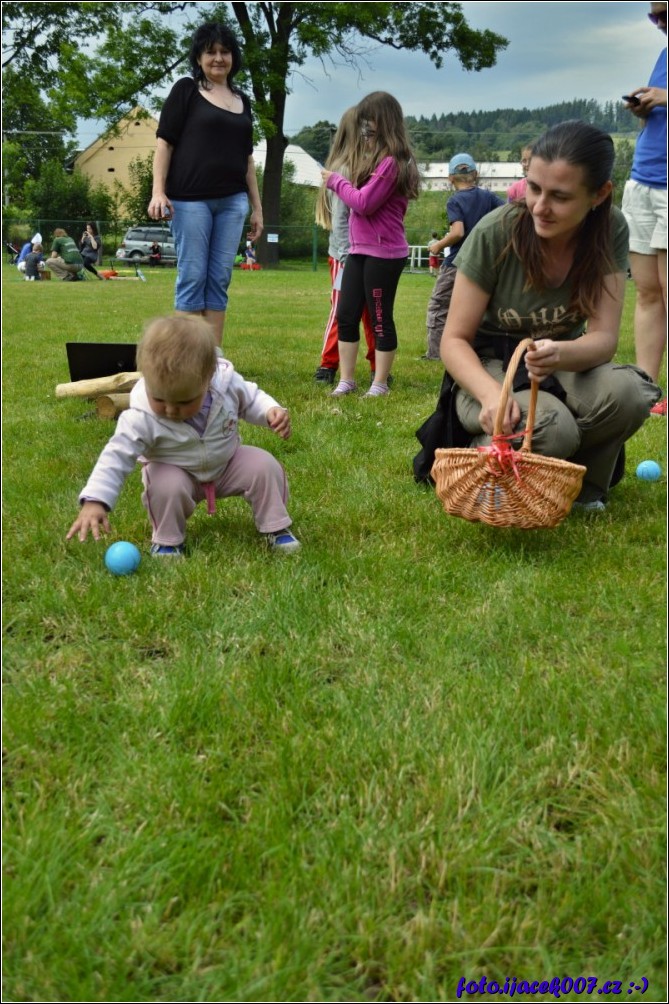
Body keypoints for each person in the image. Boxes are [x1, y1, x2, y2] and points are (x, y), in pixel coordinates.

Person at [414, 121, 661, 510]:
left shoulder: (610, 229)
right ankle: (479, 454)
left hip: (558, 361)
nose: (540, 207)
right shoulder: (497, 231)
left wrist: (560, 354)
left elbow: (603, 339)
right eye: (534, 188)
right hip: (488, 364)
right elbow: (453, 340)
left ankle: (582, 490)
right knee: (549, 427)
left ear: (599, 194)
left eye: (560, 196)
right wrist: (491, 395)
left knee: (631, 393)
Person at [66, 315, 301, 556]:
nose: (169, 409)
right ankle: (168, 540)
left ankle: (276, 526)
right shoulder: (140, 415)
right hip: (176, 471)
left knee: (264, 465)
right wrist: (96, 499)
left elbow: (251, 398)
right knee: (164, 484)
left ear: (208, 379)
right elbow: (115, 457)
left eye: (183, 402)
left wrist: (269, 411)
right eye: (159, 398)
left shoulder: (225, 384)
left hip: (226, 465)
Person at [147, 22, 263, 348]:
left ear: (233, 57)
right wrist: (158, 191)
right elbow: (163, 144)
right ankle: (185, 359)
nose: (218, 58)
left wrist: (257, 208)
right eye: (210, 51)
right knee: (193, 276)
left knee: (219, 280)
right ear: (198, 57)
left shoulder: (243, 101)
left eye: (224, 51)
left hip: (233, 202)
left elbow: (248, 160)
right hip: (189, 201)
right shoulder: (186, 90)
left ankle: (212, 361)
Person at [321, 91, 420, 398]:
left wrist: (336, 180)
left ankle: (379, 383)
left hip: (384, 254)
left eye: (370, 119)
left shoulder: (393, 163)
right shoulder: (373, 159)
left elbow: (364, 203)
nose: (364, 126)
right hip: (359, 250)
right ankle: (347, 381)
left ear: (385, 121)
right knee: (347, 315)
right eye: (363, 120)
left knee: (379, 318)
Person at [621, 1, 667, 415]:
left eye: (665, 12)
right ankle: (646, 391)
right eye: (653, 16)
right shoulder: (664, 54)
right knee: (649, 292)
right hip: (643, 180)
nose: (658, 23)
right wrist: (644, 106)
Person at [313, 106, 377, 386]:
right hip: (346, 254)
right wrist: (345, 256)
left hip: (367, 253)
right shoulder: (344, 169)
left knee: (373, 311)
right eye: (370, 132)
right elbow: (341, 218)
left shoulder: (370, 166)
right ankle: (328, 365)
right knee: (343, 310)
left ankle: (378, 365)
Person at [422, 153, 503, 361]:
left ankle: (435, 353)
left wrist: (438, 245)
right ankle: (478, 350)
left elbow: (458, 232)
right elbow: (508, 214)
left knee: (439, 305)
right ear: (475, 174)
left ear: (450, 178)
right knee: (476, 307)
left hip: (457, 262)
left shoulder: (455, 200)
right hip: (485, 262)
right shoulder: (489, 197)